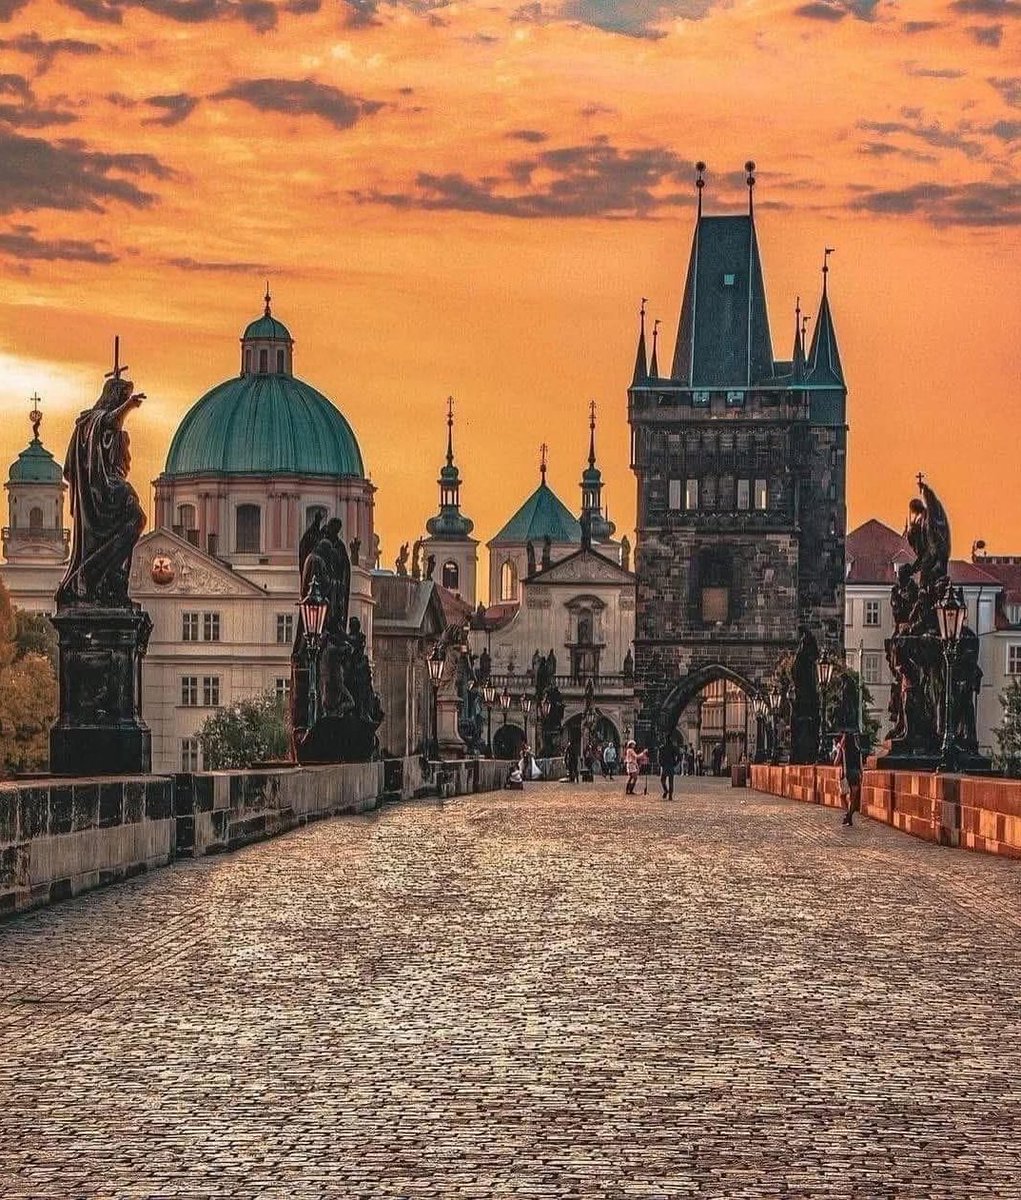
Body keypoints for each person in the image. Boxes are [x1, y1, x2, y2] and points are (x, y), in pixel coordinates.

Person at [833, 729, 863, 827]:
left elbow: (835, 763)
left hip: (846, 774)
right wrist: (861, 776)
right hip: (855, 774)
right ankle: (849, 815)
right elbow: (861, 766)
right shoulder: (857, 750)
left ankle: (847, 814)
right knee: (853, 798)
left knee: (842, 796)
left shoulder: (843, 750)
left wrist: (839, 750)